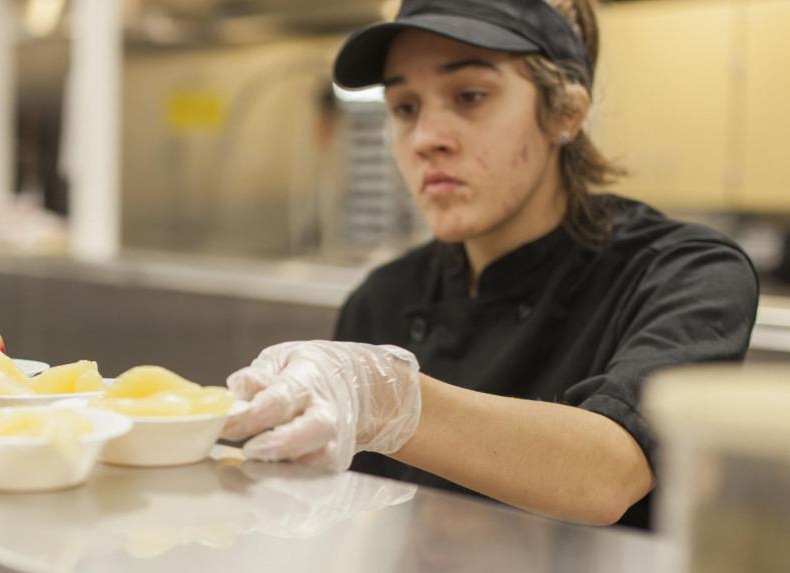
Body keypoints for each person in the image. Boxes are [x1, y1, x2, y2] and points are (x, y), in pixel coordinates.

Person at [221, 0, 758, 530]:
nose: (427, 138)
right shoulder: (383, 297)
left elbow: (610, 476)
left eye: (470, 96)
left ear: (564, 113)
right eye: (405, 108)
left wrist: (388, 397)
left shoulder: (683, 272)